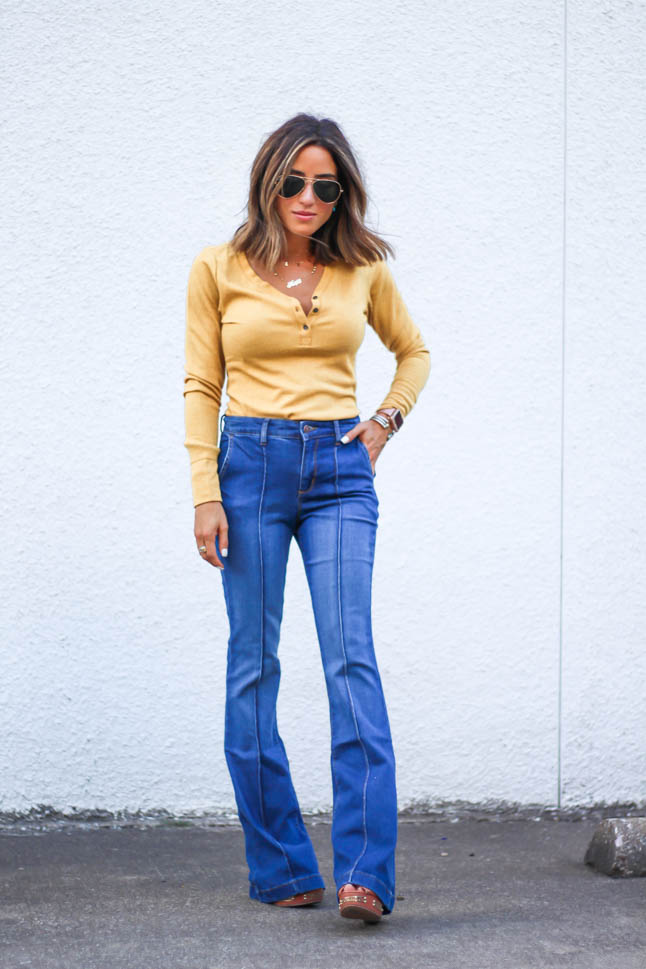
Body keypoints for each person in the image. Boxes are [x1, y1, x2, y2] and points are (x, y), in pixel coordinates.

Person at [183, 113, 430, 923]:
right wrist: (203, 492)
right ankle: (284, 862)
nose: (308, 197)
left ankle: (367, 873)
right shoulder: (217, 269)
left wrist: (386, 420)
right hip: (248, 468)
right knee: (252, 665)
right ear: (268, 180)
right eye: (293, 181)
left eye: (325, 185)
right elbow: (201, 386)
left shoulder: (362, 269)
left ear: (342, 192)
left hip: (338, 471)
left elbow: (414, 352)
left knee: (349, 658)